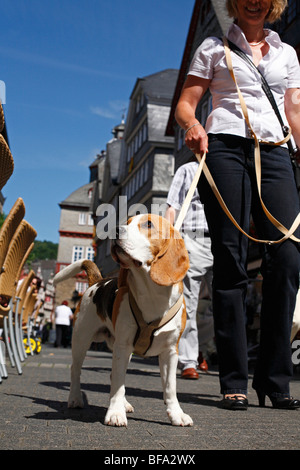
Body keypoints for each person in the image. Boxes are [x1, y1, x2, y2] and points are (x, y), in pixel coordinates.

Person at [175, 0, 300, 410]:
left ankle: (274, 377)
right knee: (230, 258)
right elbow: (185, 105)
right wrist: (193, 126)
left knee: (287, 258)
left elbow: (294, 110)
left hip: (277, 150)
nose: (254, 1)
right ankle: (234, 380)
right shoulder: (213, 47)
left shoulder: (287, 53)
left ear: (275, 4)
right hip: (226, 147)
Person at [165, 161, 214, 379]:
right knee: (190, 304)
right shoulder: (188, 169)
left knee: (226, 305)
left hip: (225, 239)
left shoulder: (232, 166)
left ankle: (200, 347)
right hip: (192, 237)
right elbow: (172, 206)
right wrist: (169, 241)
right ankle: (188, 361)